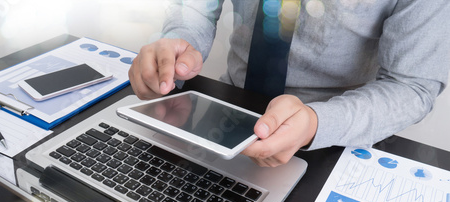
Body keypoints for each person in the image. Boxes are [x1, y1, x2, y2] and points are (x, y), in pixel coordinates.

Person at [128, 0, 450, 167]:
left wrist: (315, 123)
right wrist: (178, 41)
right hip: (221, 113)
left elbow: (411, 86)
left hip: (330, 143)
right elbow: (196, 10)